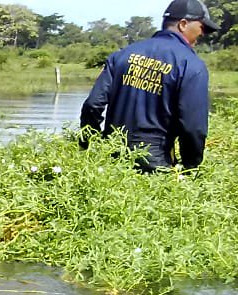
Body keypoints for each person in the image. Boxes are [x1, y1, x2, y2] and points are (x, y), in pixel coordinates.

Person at [79, 0, 217, 171]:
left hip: (111, 161)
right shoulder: (192, 66)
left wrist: (89, 146)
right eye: (202, 28)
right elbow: (193, 127)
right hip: (156, 165)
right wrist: (190, 166)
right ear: (183, 24)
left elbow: (93, 105)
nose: (202, 35)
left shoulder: (122, 55)